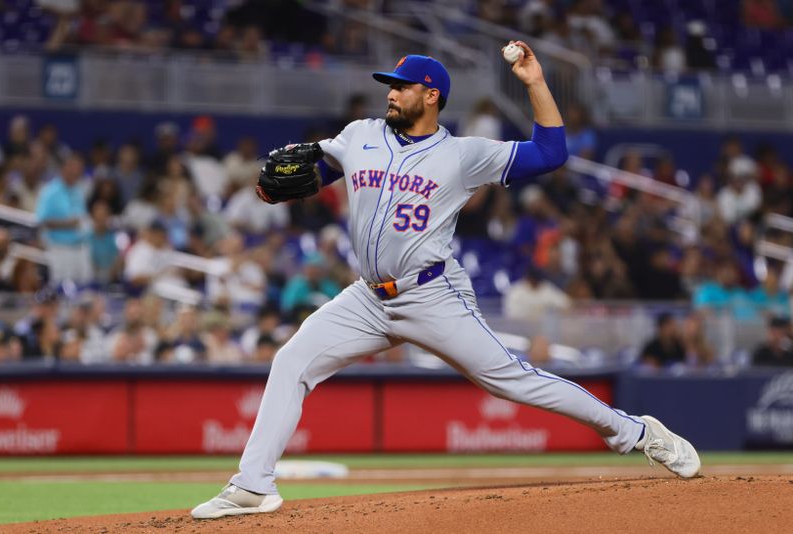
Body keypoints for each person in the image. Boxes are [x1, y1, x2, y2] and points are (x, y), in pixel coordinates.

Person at [192, 45, 701, 519]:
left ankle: (636, 433)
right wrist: (275, 188)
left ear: (431, 94)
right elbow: (313, 172)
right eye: (389, 85)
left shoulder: (463, 155)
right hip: (367, 298)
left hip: (432, 293)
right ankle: (254, 485)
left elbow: (550, 153)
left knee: (512, 380)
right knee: (292, 360)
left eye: (402, 85)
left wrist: (536, 82)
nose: (391, 92)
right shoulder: (359, 134)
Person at [34, 152, 93, 285]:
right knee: (61, 288)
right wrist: (67, 224)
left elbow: (81, 217)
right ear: (65, 168)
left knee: (84, 288)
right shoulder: (49, 191)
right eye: (74, 167)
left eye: (80, 168)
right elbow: (41, 220)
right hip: (59, 248)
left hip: (80, 247)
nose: (77, 172)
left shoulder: (79, 191)